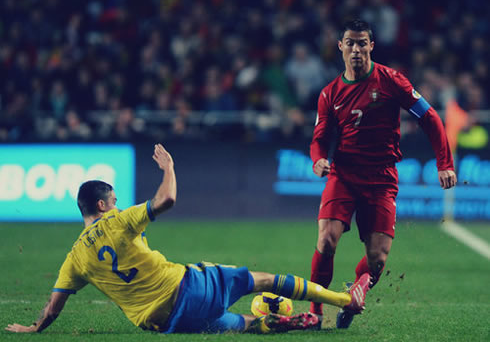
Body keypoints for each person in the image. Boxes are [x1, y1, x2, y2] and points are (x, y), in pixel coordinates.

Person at [6, 144, 370, 335]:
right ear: (103, 205)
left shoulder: (74, 259)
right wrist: (169, 168)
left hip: (164, 323)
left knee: (239, 324)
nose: (116, 204)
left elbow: (53, 308)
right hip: (186, 288)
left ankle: (280, 324)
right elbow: (167, 200)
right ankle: (343, 300)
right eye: (113, 200)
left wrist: (34, 327)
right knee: (256, 280)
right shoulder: (118, 221)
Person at [309, 20, 457, 329]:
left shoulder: (392, 81)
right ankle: (315, 312)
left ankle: (353, 296)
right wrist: (318, 159)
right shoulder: (329, 94)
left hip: (381, 179)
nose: (356, 49)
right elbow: (321, 137)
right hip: (344, 176)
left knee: (377, 260)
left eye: (362, 43)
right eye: (350, 43)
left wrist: (444, 162)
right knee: (326, 240)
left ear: (371, 46)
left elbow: (429, 117)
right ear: (340, 46)